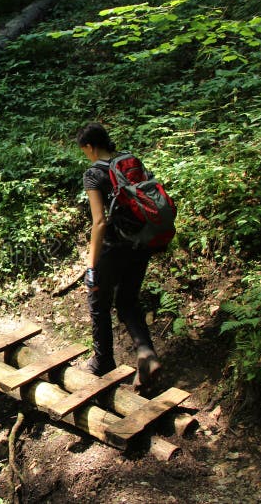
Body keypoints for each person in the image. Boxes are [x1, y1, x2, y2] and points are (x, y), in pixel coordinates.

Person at [76, 122, 161, 389]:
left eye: (85, 150)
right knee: (127, 301)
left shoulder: (93, 174)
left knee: (98, 301)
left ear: (90, 146)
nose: (86, 155)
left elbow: (99, 221)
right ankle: (146, 352)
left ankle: (103, 362)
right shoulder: (130, 161)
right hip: (141, 243)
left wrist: (91, 265)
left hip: (114, 247)